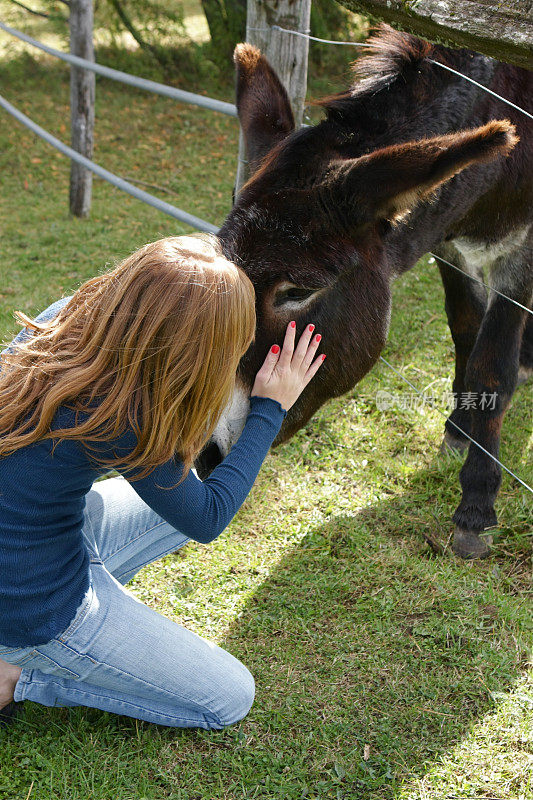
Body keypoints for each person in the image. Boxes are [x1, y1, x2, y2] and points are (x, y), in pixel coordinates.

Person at [0, 234, 325, 730]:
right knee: (228, 697)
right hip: (31, 608)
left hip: (45, 539)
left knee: (182, 495)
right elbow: (208, 516)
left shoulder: (64, 320)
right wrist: (269, 408)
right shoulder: (123, 414)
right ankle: (16, 675)